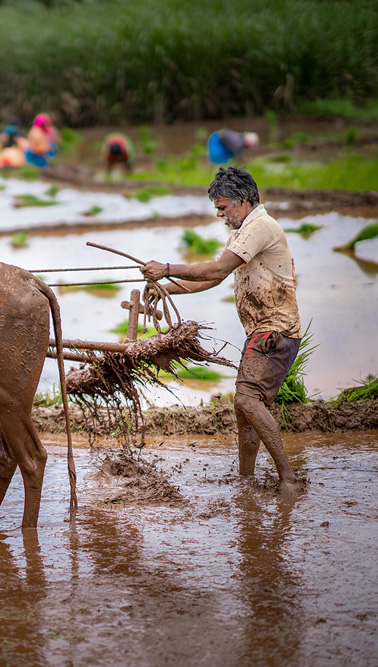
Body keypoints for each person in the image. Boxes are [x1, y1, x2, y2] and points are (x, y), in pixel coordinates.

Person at [140, 167, 303, 496]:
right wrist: (168, 289)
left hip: (276, 331)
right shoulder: (243, 232)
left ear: (243, 202)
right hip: (261, 331)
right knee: (245, 410)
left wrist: (167, 268)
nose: (219, 214)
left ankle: (288, 478)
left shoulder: (261, 227)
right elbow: (213, 279)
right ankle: (247, 481)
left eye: (223, 206)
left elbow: (217, 268)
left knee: (247, 401)